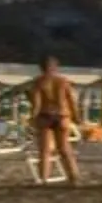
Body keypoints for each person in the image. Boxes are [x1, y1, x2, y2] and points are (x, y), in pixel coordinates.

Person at [28, 54, 82, 186]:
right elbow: (72, 101)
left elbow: (37, 104)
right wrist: (77, 117)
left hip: (45, 116)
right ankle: (73, 178)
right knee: (64, 148)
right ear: (56, 67)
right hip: (62, 116)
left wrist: (32, 118)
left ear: (41, 67)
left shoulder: (39, 82)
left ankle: (43, 179)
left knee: (45, 150)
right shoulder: (63, 81)